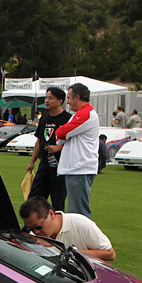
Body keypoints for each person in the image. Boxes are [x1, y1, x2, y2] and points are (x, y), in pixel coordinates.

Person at [46, 83, 99, 219]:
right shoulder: (81, 114)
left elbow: (62, 133)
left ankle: (84, 240)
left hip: (80, 168)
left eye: (69, 98)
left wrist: (61, 135)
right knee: (76, 212)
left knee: (79, 213)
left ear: (78, 97)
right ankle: (80, 239)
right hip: (77, 168)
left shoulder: (85, 114)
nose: (67, 102)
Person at [19, 196, 115, 261]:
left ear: (51, 214)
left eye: (38, 227)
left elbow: (110, 254)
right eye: (31, 229)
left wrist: (71, 253)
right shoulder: (34, 238)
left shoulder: (81, 224)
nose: (36, 232)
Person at [26, 86, 71, 210]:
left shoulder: (67, 119)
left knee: (58, 201)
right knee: (34, 199)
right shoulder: (44, 117)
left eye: (50, 98)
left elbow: (73, 143)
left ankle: (58, 228)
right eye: (46, 97)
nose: (46, 100)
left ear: (60, 101)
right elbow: (39, 140)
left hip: (60, 166)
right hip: (44, 164)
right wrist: (32, 162)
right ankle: (30, 228)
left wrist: (58, 148)